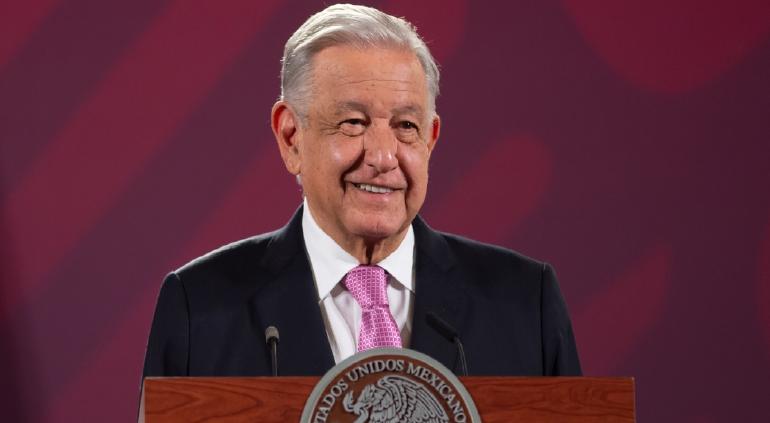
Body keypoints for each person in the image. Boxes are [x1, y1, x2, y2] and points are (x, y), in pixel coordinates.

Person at [142, 3, 580, 378]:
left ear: (430, 139)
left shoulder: (525, 303)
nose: (384, 157)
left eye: (405, 126)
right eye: (353, 123)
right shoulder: (199, 308)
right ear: (291, 137)